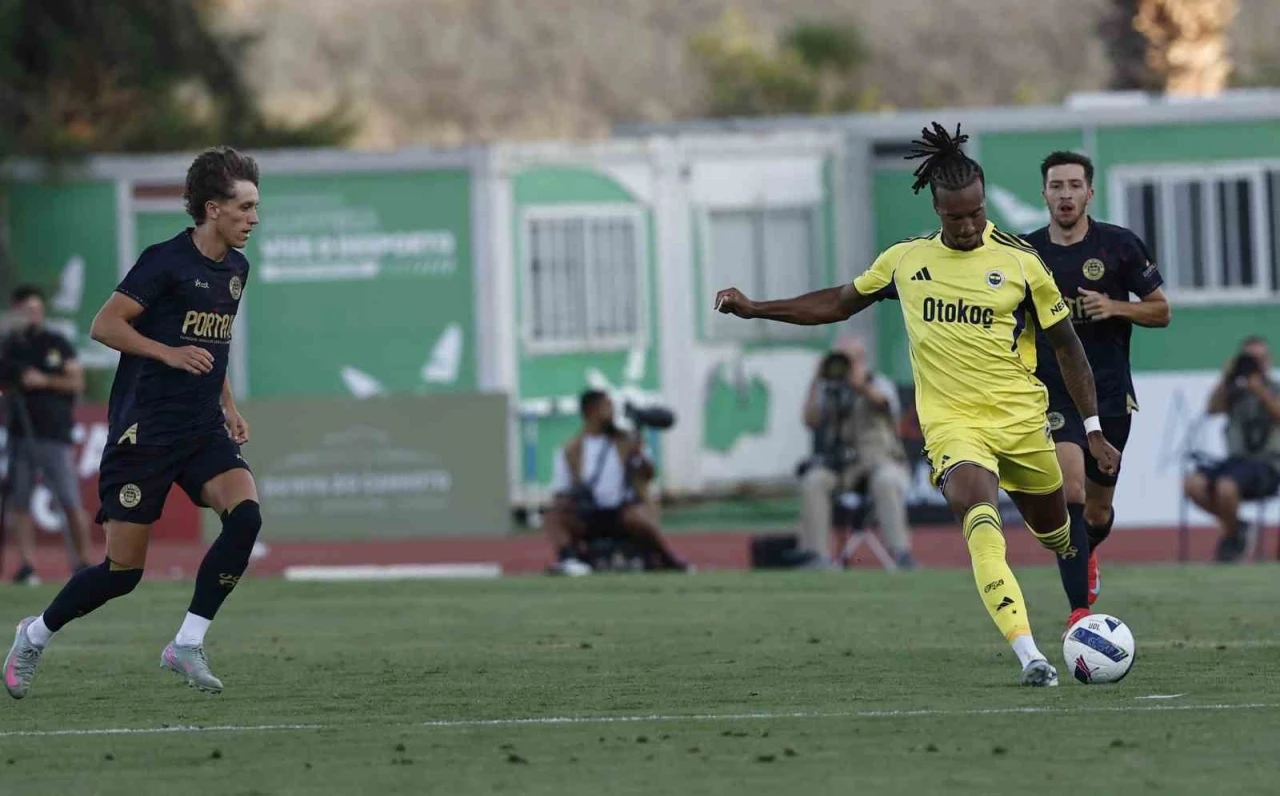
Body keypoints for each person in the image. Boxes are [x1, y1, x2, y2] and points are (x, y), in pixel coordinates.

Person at [714, 122, 1120, 688]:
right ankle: (1030, 654)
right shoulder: (906, 261)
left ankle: (1078, 584)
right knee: (979, 517)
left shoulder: (1022, 263)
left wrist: (1093, 427)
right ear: (937, 209)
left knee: (1059, 533)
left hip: (1021, 421)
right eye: (957, 217)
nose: (969, 225)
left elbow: (1068, 347)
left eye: (976, 212)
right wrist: (757, 308)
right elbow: (836, 303)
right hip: (953, 424)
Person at [5, 146, 262, 699]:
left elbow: (213, 346)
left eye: (255, 207)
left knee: (245, 518)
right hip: (143, 431)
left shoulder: (236, 270)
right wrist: (167, 352)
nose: (254, 218)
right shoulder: (164, 261)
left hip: (201, 428)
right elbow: (104, 326)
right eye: (245, 207)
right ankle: (35, 634)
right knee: (122, 573)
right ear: (213, 209)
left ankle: (187, 643)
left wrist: (229, 405)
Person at [1023, 151, 1170, 606]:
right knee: (1071, 490)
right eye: (1056, 186)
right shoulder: (1025, 253)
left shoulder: (1119, 245)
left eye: (1074, 185)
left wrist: (1114, 307)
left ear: (1090, 192)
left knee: (1097, 509)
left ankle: (1086, 553)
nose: (1065, 194)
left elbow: (1161, 311)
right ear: (1044, 194)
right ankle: (1078, 610)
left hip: (1109, 391)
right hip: (1053, 391)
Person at [2, 285, 95, 585]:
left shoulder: (56, 342)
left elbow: (76, 383)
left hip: (54, 434)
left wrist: (43, 380)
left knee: (69, 500)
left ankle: (83, 562)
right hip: (19, 434)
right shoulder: (8, 347)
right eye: (26, 310)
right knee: (20, 503)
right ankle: (27, 565)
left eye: (36, 309)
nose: (33, 315)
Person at [544, 389, 690, 575]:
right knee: (554, 516)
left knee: (637, 517)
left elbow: (648, 475)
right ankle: (568, 559)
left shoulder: (626, 440)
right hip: (588, 513)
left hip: (622, 511)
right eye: (607, 406)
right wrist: (570, 503)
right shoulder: (570, 449)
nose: (612, 411)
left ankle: (666, 556)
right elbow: (561, 491)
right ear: (591, 411)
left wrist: (638, 454)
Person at [798, 336, 914, 569]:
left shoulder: (878, 382)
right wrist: (816, 380)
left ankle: (901, 553)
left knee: (886, 481)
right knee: (814, 481)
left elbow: (885, 405)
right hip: (844, 466)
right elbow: (810, 420)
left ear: (861, 360)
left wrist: (859, 385)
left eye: (849, 359)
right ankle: (816, 556)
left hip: (880, 461)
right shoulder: (829, 389)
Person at [1184, 336, 1280, 562]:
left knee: (1226, 486)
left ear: (1268, 361)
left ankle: (1232, 538)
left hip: (1267, 464)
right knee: (1193, 484)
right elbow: (1212, 409)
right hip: (1236, 461)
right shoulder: (1234, 391)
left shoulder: (1274, 389)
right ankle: (1237, 528)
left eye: (1259, 359)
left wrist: (1260, 391)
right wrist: (1227, 377)